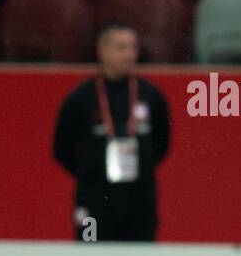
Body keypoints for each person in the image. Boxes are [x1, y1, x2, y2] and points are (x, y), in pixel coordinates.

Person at [52, 22, 170, 242]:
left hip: (139, 201)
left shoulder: (151, 96)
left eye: (132, 48)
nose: (129, 55)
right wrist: (90, 172)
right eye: (121, 47)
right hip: (93, 200)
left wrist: (142, 164)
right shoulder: (80, 98)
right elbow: (61, 149)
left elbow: (162, 145)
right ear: (102, 50)